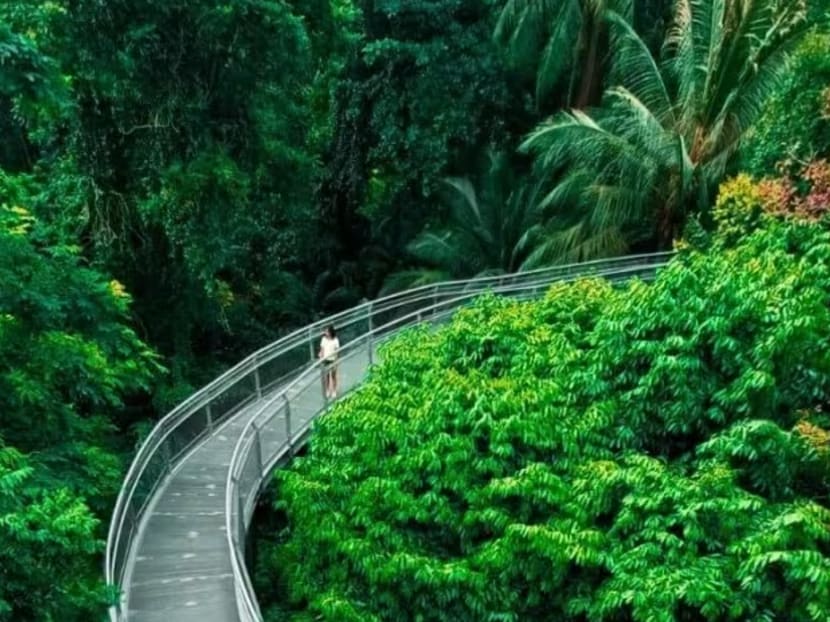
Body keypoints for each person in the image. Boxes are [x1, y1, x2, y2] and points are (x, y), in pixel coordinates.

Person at [318, 325, 340, 399]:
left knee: (333, 376)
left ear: (330, 332)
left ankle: (334, 391)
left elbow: (336, 352)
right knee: (327, 376)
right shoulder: (323, 339)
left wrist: (336, 361)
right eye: (325, 331)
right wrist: (321, 355)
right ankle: (327, 390)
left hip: (332, 359)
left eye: (327, 331)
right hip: (325, 359)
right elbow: (322, 348)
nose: (326, 333)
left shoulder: (335, 340)